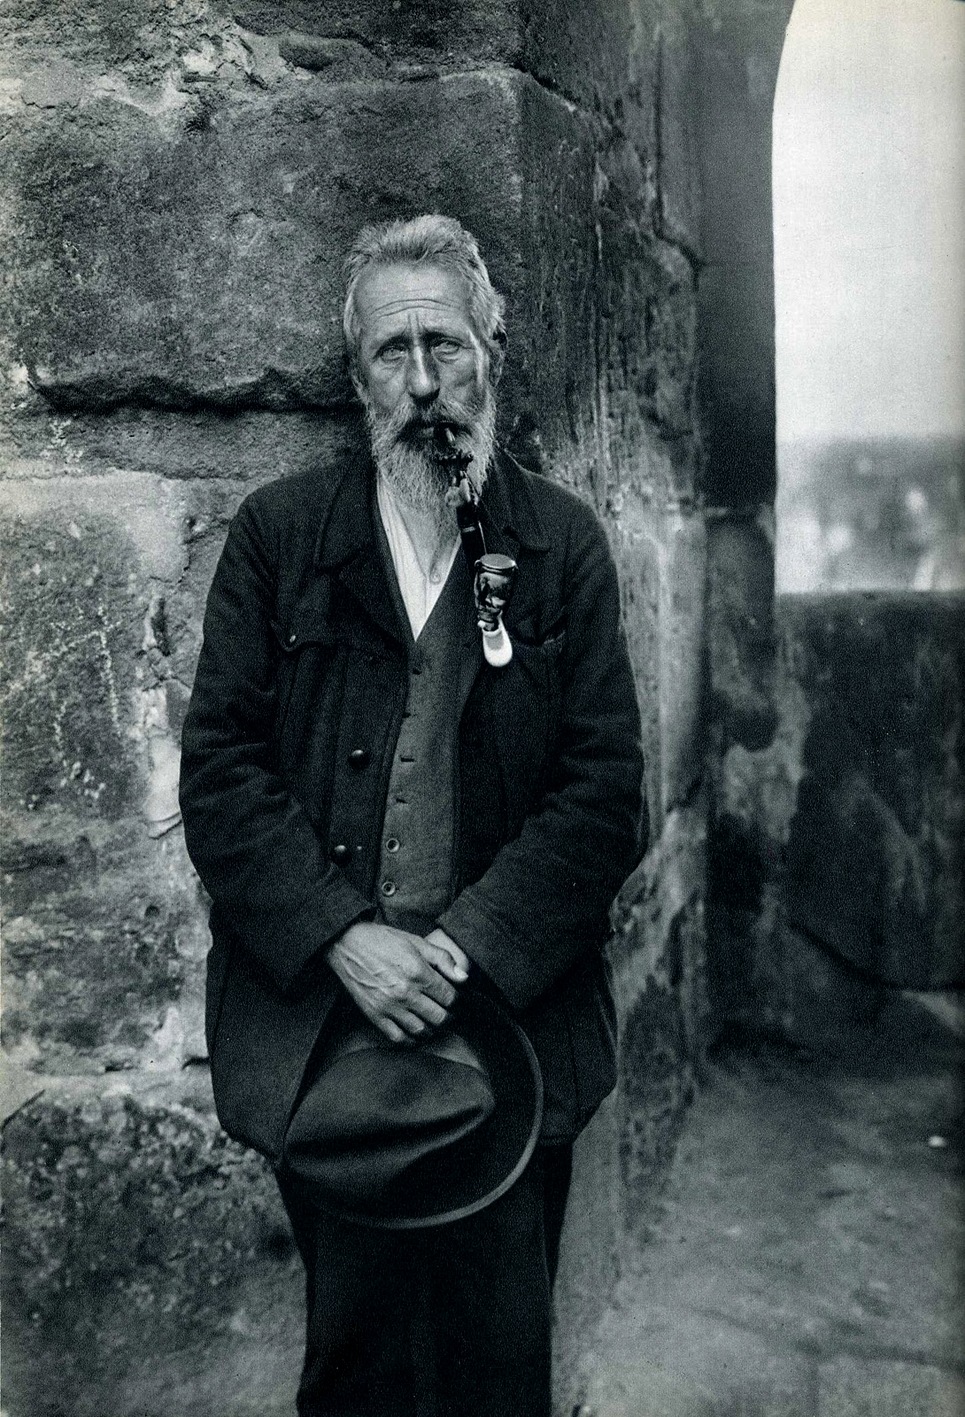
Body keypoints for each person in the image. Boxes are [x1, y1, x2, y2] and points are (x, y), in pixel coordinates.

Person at [179, 214, 645, 1417]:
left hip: (512, 1033)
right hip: (326, 1035)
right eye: (393, 352)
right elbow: (221, 775)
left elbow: (602, 796)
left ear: (494, 352)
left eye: (446, 343)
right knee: (356, 1364)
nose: (423, 382)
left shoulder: (560, 547)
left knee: (499, 1367)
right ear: (355, 380)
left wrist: (466, 950)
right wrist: (345, 937)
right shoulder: (283, 541)